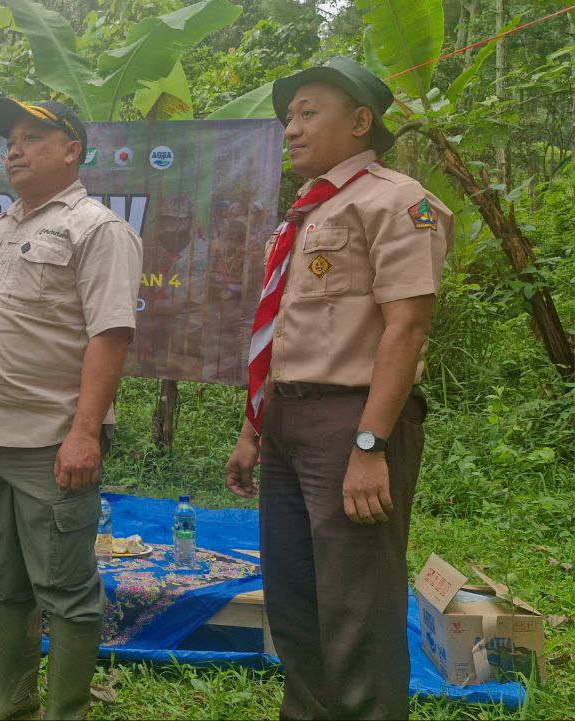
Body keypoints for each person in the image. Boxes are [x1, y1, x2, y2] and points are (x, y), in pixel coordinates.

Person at [223, 57, 451, 720]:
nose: (291, 128)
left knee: (357, 606)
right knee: (294, 599)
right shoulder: (300, 217)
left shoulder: (398, 201)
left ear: (360, 121)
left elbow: (405, 329)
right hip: (287, 426)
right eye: (288, 117)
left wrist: (370, 442)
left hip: (352, 422)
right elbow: (283, 334)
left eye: (308, 112)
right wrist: (252, 430)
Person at [0, 99, 143, 720]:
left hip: (53, 443)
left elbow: (110, 336)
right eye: (10, 139)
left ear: (72, 149)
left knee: (66, 590)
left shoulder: (97, 229)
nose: (13, 149)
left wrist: (84, 433)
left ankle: (63, 711)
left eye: (32, 137)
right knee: (3, 577)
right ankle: (10, 698)